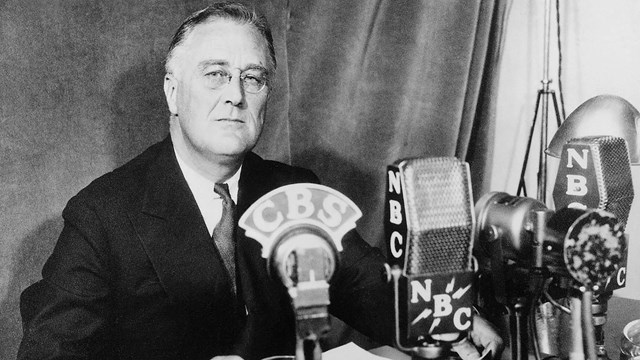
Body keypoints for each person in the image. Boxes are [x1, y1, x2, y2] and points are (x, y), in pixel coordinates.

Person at [18, 2, 503, 360]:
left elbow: (370, 288)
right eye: (215, 75)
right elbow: (50, 353)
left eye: (253, 78)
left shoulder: (298, 192)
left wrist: (442, 321)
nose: (235, 95)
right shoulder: (103, 213)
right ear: (172, 90)